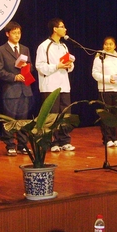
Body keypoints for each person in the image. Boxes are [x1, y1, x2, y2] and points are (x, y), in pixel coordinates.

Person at [35, 18, 75, 152]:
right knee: (52, 115)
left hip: (64, 85)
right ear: (55, 29)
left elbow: (69, 66)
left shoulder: (64, 46)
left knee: (65, 114)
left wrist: (69, 65)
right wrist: (57, 66)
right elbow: (40, 66)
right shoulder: (44, 46)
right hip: (50, 85)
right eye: (62, 27)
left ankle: (65, 140)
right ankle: (53, 142)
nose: (65, 29)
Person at [0, 21, 33, 156]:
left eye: (19, 33)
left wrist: (27, 68)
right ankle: (10, 145)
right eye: (14, 33)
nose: (17, 35)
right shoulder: (0, 50)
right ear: (7, 34)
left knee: (23, 120)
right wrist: (14, 77)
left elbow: (31, 66)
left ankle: (23, 145)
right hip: (10, 90)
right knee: (10, 119)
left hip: (25, 89)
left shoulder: (25, 49)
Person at [92, 36, 117, 147]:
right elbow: (95, 73)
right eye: (106, 44)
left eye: (110, 44)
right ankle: (107, 139)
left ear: (115, 46)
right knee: (106, 114)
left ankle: (115, 137)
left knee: (115, 114)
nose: (108, 46)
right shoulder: (99, 57)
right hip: (105, 89)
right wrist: (107, 79)